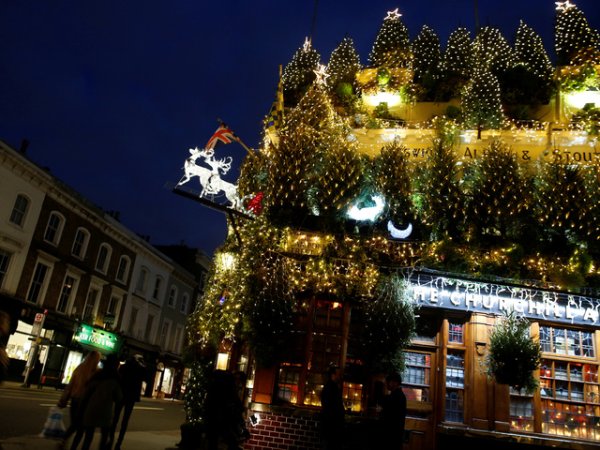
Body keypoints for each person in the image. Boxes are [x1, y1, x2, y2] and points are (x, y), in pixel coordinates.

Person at [57, 350, 101, 450]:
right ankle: (71, 445)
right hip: (86, 402)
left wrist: (64, 399)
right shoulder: (97, 372)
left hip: (75, 400)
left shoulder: (79, 368)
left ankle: (63, 439)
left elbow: (70, 385)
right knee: (81, 428)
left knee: (75, 424)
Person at [77, 354, 123, 450]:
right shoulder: (116, 379)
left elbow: (86, 394)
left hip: (91, 409)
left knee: (88, 438)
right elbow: (119, 398)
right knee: (104, 437)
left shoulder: (97, 375)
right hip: (105, 412)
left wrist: (81, 409)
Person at [109, 354, 146, 450]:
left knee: (115, 418)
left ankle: (110, 440)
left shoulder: (124, 366)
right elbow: (146, 374)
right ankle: (118, 444)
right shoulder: (139, 369)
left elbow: (118, 379)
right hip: (131, 397)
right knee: (125, 421)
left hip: (121, 395)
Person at [205, 370, 246, 450]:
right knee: (230, 441)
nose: (240, 386)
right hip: (220, 417)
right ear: (238, 379)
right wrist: (240, 410)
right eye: (240, 383)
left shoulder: (221, 382)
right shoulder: (229, 385)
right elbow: (235, 400)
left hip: (212, 415)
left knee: (212, 441)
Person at [319, 364, 345, 450]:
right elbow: (332, 407)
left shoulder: (330, 387)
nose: (340, 377)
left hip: (329, 427)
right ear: (333, 375)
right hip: (331, 427)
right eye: (339, 374)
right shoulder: (331, 388)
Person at [379, 372, 407, 450]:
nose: (386, 384)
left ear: (394, 382)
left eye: (388, 382)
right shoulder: (399, 395)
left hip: (391, 436)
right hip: (395, 436)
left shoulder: (395, 397)